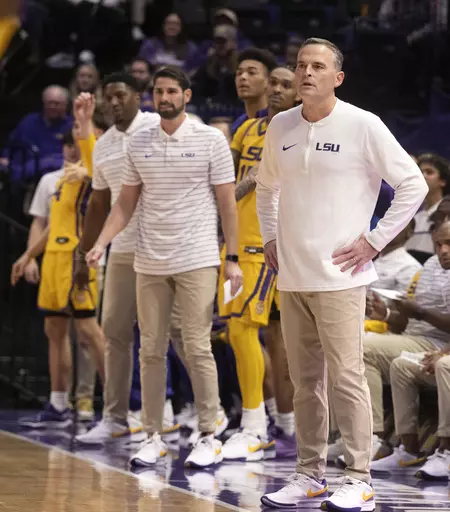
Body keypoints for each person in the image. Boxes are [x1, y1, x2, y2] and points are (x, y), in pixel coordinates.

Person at [255, 37, 428, 510]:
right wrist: (270, 239)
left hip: (341, 277)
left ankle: (359, 477)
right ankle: (309, 475)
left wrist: (374, 240)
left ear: (338, 77)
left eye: (317, 66)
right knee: (303, 380)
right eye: (300, 65)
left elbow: (412, 183)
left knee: (347, 377)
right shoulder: (281, 126)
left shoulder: (362, 124)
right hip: (292, 276)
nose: (306, 73)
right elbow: (266, 188)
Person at [85, 64, 242, 469]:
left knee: (196, 344)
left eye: (173, 91)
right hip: (148, 258)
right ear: (152, 97)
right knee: (150, 349)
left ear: (187, 96)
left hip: (198, 257)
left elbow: (228, 203)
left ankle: (209, 431)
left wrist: (234, 259)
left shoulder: (210, 140)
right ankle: (153, 434)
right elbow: (124, 203)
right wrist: (101, 242)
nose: (165, 97)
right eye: (159, 91)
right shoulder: (139, 143)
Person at [218, 66, 298, 461]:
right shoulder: (246, 130)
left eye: (288, 84)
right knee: (250, 336)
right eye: (276, 83)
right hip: (236, 243)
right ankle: (273, 421)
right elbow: (227, 184)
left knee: (251, 332)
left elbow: (253, 185)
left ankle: (261, 425)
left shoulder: (298, 133)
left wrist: (239, 188)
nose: (279, 89)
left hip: (268, 247)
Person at [11, 94, 106, 428]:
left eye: (77, 137)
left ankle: (120, 406)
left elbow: (92, 153)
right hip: (52, 257)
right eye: (68, 141)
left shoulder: (92, 174)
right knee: (54, 330)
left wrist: (85, 117)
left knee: (90, 332)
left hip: (76, 259)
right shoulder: (60, 180)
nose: (72, 145)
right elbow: (51, 225)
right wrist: (27, 256)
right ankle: (58, 403)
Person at [405, 153, 450, 263]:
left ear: (442, 181)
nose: (423, 176)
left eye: (429, 172)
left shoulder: (447, 213)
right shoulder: (412, 215)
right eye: (420, 172)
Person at [231, 48, 277, 136]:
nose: (243, 77)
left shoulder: (276, 121)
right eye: (239, 73)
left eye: (251, 72)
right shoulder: (237, 125)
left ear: (269, 81)